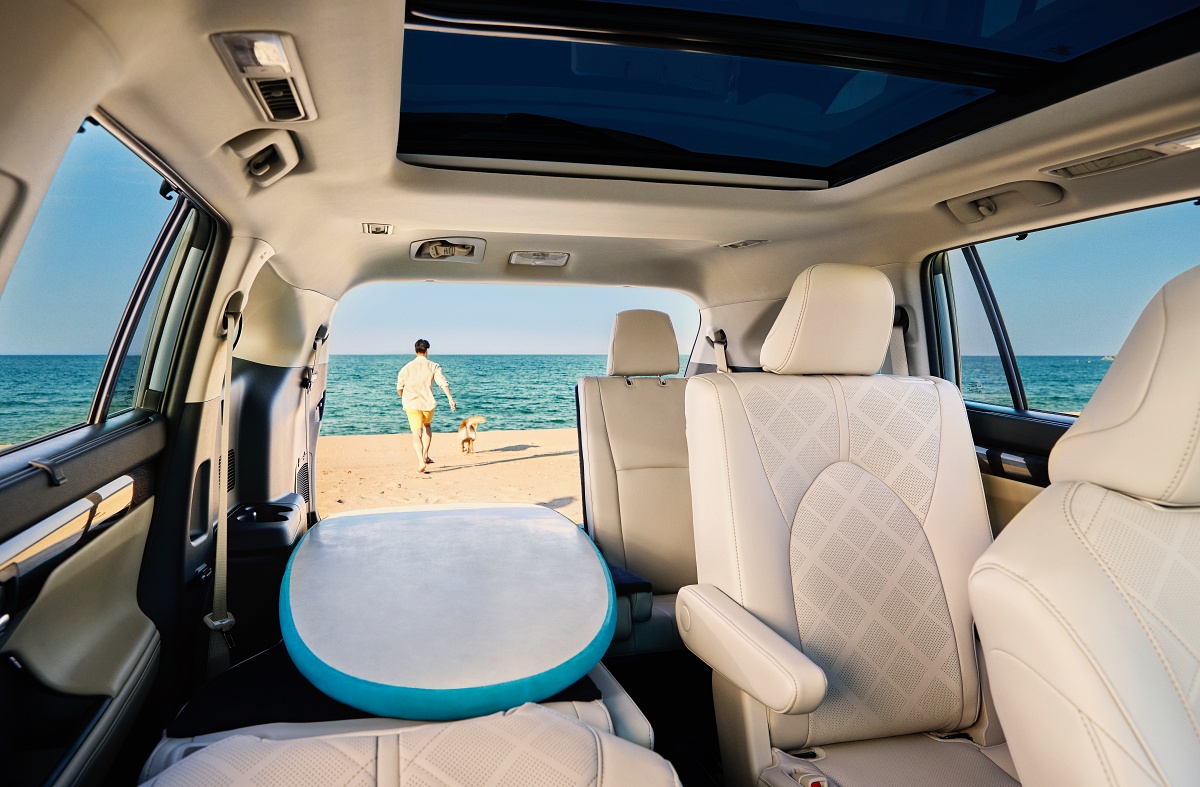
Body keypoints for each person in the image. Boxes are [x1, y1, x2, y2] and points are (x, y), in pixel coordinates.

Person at [396, 339, 456, 473]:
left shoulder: (406, 368)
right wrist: (450, 399)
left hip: (412, 404)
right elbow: (442, 382)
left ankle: (420, 461)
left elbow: (399, 388)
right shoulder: (433, 366)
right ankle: (425, 455)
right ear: (427, 350)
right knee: (427, 426)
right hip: (428, 404)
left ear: (415, 350)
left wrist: (404, 397)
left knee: (416, 434)